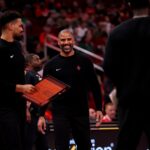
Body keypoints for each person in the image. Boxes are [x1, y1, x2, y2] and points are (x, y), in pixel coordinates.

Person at [38, 29, 103, 150]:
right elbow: (44, 92)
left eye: (69, 39)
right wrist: (41, 115)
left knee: (85, 146)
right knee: (61, 147)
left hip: (81, 112)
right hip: (60, 113)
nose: (66, 42)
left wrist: (99, 108)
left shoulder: (85, 61)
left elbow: (95, 86)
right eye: (63, 40)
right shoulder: (50, 65)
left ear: (73, 41)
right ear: (58, 42)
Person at [103, 0, 150, 149]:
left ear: (129, 5)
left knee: (126, 145)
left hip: (130, 100)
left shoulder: (117, 32)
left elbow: (108, 67)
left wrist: (123, 86)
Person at [0, 10, 36, 150]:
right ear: (10, 26)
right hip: (4, 109)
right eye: (20, 26)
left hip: (19, 107)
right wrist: (20, 88)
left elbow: (18, 76)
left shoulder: (17, 46)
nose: (22, 29)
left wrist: (25, 103)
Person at [24, 53, 49, 150]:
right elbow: (25, 94)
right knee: (28, 144)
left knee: (43, 145)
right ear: (29, 62)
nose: (40, 61)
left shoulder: (37, 74)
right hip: (31, 116)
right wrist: (26, 111)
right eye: (37, 59)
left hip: (38, 115)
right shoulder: (28, 74)